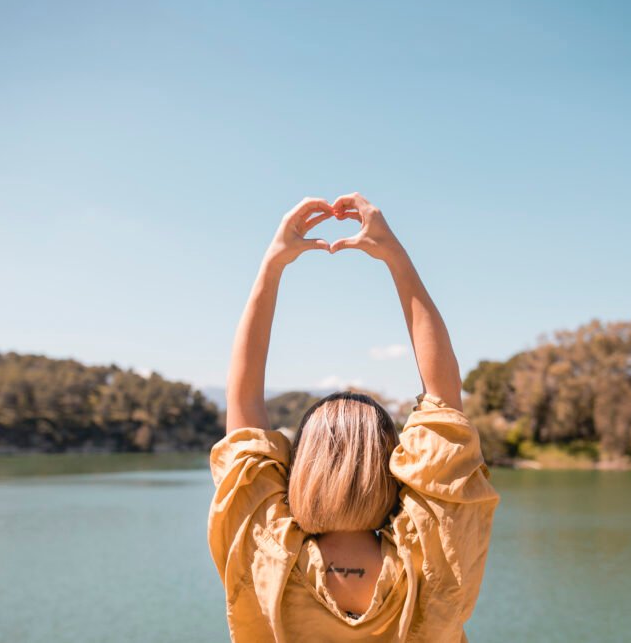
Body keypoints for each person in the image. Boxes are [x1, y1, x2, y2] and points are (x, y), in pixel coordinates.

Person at [207, 193, 500, 642]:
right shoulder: (433, 553)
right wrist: (397, 260)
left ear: (300, 467)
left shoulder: (264, 555)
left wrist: (272, 266)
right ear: (390, 466)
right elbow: (444, 397)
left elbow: (244, 410)